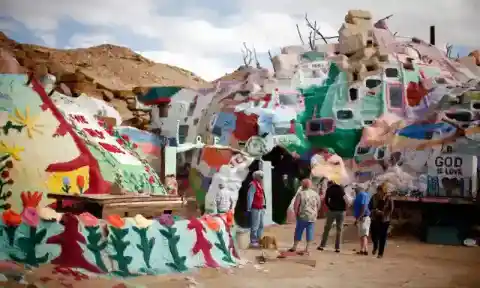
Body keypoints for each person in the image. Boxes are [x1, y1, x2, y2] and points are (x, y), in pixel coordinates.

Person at [288, 178, 321, 255]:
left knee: (298, 231)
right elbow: (318, 205)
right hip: (312, 216)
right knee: (310, 231)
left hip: (302, 216)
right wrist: (315, 212)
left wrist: (296, 214)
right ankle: (307, 248)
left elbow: (296, 205)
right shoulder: (315, 194)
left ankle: (294, 247)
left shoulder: (301, 194)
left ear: (303, 185)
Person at [318, 181, 348, 253]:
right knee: (339, 229)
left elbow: (326, 200)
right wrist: (345, 209)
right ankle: (337, 248)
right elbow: (346, 199)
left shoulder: (329, 189)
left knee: (327, 228)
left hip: (332, 211)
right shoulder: (341, 188)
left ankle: (322, 245)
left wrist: (330, 206)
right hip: (341, 212)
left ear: (329, 184)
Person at [369, 184, 394, 258]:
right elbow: (369, 206)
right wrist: (374, 211)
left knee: (383, 236)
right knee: (374, 235)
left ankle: (380, 253)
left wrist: (384, 213)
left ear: (384, 191)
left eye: (381, 191)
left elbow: (391, 209)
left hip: (384, 220)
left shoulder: (389, 198)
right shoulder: (374, 197)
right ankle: (375, 245)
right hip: (375, 218)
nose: (379, 193)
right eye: (378, 191)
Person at [247, 170, 266, 248]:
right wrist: (248, 207)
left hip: (261, 208)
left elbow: (263, 196)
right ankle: (253, 241)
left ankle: (259, 239)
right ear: (256, 177)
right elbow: (250, 196)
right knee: (255, 225)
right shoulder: (253, 185)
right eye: (260, 176)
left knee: (261, 225)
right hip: (255, 208)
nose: (262, 177)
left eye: (262, 176)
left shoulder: (260, 184)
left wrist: (264, 206)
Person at [353, 186, 371, 255]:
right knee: (362, 235)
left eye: (356, 190)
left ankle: (362, 250)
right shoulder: (358, 196)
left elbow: (364, 208)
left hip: (364, 218)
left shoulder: (363, 195)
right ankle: (365, 249)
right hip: (361, 218)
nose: (355, 191)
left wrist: (358, 218)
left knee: (363, 235)